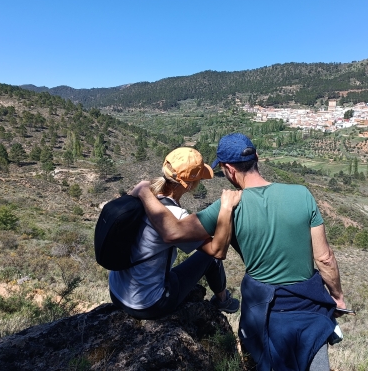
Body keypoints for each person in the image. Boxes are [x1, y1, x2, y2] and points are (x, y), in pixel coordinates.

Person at [130, 134, 346, 370]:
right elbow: (324, 258)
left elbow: (173, 232)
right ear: (257, 157)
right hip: (309, 309)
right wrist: (337, 296)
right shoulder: (302, 194)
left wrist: (144, 192)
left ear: (230, 170)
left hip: (265, 310)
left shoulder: (228, 206)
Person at [109, 147, 240, 320]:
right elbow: (217, 251)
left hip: (117, 292)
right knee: (210, 258)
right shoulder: (176, 217)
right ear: (189, 185)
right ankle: (223, 300)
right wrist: (226, 208)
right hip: (148, 303)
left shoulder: (142, 196)